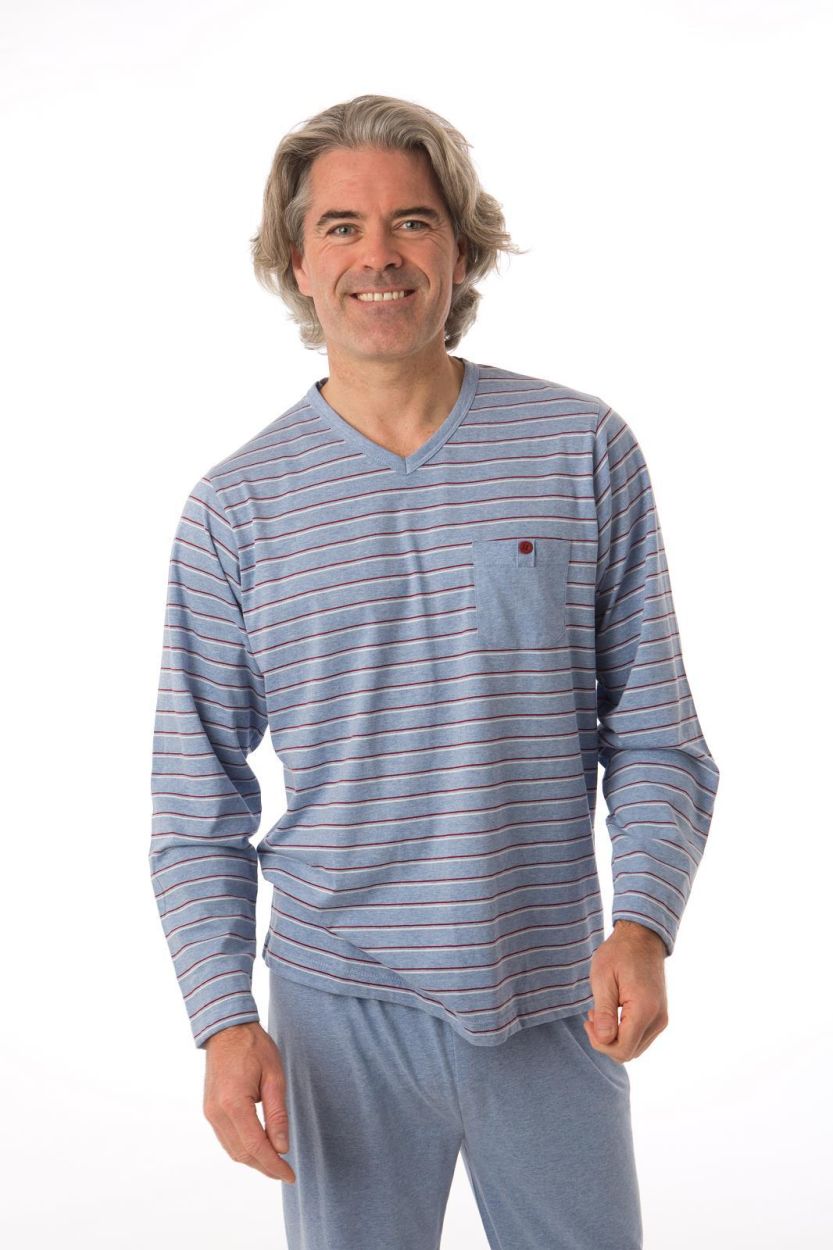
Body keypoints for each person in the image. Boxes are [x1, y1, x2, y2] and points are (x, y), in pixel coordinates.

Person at [149, 93, 720, 1250]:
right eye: (341, 226)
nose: (378, 255)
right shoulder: (234, 509)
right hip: (334, 1011)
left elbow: (655, 731)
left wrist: (642, 923)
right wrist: (222, 1018)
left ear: (459, 249)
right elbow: (195, 796)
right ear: (297, 261)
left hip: (551, 993)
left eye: (410, 222)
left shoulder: (579, 449)